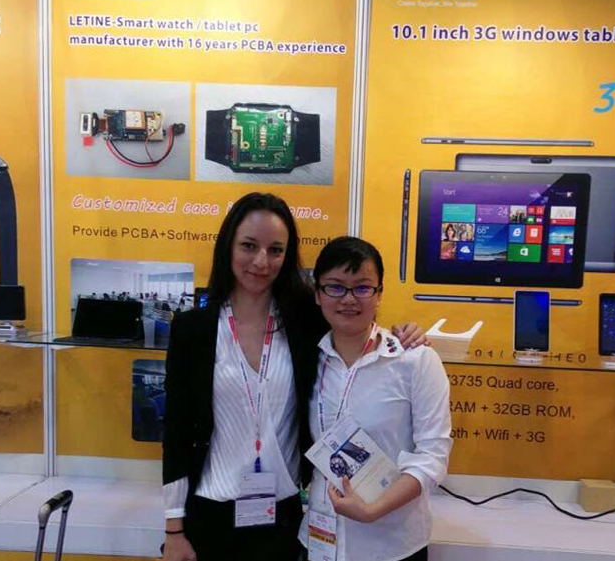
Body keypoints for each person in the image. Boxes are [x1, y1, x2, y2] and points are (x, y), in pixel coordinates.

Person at [162, 193, 425, 561]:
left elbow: (357, 323)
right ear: (228, 247)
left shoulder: (306, 323)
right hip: (210, 513)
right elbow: (176, 431)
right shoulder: (193, 330)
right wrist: (173, 529)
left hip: (283, 516)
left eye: (275, 250)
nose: (261, 261)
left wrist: (403, 333)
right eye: (249, 246)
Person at [299, 236, 451, 561]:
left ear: (379, 293)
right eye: (335, 287)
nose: (348, 299)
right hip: (319, 539)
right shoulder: (306, 359)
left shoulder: (414, 360)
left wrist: (373, 510)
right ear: (318, 294)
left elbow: (433, 457)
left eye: (362, 288)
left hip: (390, 544)